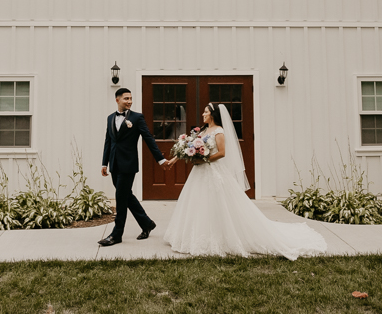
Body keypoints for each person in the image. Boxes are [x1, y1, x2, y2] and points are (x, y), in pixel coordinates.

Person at [163, 103, 327, 259]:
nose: (203, 114)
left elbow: (221, 153)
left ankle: (221, 237)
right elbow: (189, 148)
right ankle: (193, 236)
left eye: (206, 112)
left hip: (213, 171)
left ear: (213, 114)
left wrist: (204, 160)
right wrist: (174, 160)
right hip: (199, 173)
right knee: (198, 203)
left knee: (218, 204)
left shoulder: (219, 131)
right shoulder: (204, 130)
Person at [99, 87, 169, 246]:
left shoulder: (137, 118)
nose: (129, 101)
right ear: (117, 100)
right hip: (114, 164)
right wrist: (104, 163)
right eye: (126, 98)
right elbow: (108, 141)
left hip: (128, 165)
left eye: (131, 98)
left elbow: (149, 139)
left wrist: (160, 159)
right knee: (126, 195)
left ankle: (116, 234)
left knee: (120, 197)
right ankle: (146, 223)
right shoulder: (110, 118)